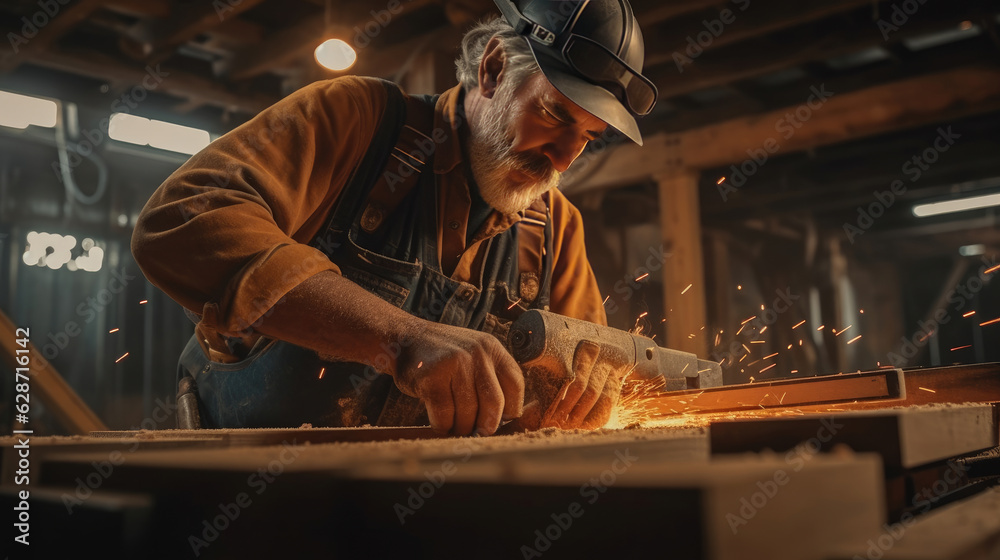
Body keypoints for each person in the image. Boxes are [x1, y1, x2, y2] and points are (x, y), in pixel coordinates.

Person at [131, 0, 657, 436]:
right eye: (554, 115)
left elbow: (585, 369)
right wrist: (401, 339)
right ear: (493, 69)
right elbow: (182, 220)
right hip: (243, 495)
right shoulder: (358, 121)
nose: (564, 158)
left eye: (587, 137)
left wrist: (583, 393)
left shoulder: (554, 226)